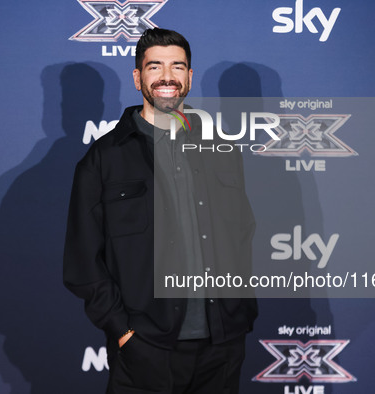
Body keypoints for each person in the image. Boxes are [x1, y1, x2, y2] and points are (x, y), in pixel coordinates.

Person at [63, 28, 257, 394]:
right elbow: (82, 262)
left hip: (223, 344)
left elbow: (243, 233)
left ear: (189, 77)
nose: (167, 77)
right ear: (138, 77)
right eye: (155, 67)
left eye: (177, 66)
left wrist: (238, 312)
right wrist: (122, 331)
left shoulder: (223, 151)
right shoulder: (104, 158)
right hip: (145, 349)